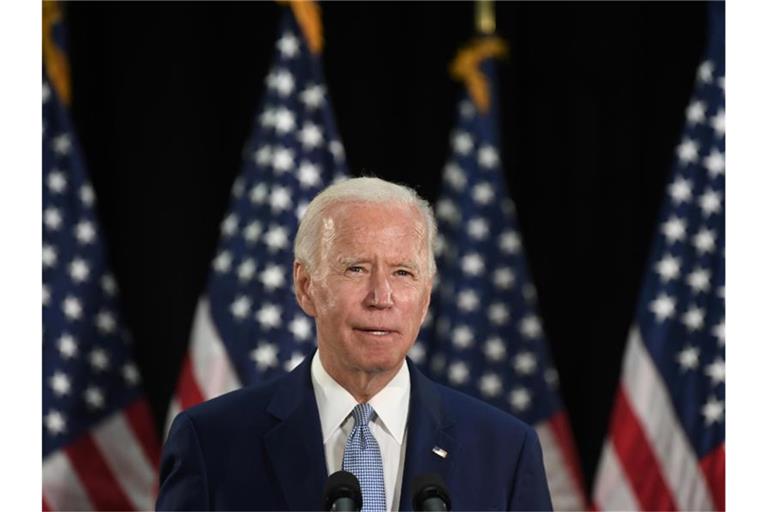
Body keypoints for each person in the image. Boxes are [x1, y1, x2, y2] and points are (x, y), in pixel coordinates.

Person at [156, 177, 553, 511]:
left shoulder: (505, 451)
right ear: (305, 286)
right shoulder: (211, 442)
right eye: (356, 269)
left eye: (402, 272)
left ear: (426, 296)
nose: (381, 296)